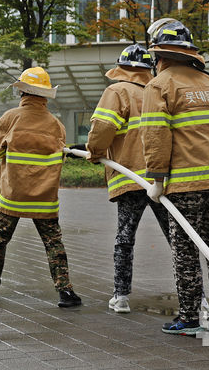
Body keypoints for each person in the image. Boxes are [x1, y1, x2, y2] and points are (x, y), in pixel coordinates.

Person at [140, 18, 209, 335]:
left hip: (187, 184)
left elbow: (155, 136)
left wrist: (156, 180)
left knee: (186, 250)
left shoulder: (159, 85)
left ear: (159, 55)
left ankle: (189, 318)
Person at [69, 45, 170, 314]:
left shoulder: (116, 91)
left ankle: (121, 296)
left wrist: (95, 152)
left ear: (122, 67)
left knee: (125, 238)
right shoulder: (157, 91)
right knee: (177, 238)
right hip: (160, 177)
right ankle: (197, 295)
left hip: (130, 177)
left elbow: (102, 127)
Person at [0, 67, 82, 308]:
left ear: (22, 92)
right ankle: (65, 292)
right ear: (45, 95)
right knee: (53, 243)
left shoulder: (9, 118)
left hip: (12, 195)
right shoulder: (56, 124)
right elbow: (60, 157)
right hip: (43, 197)